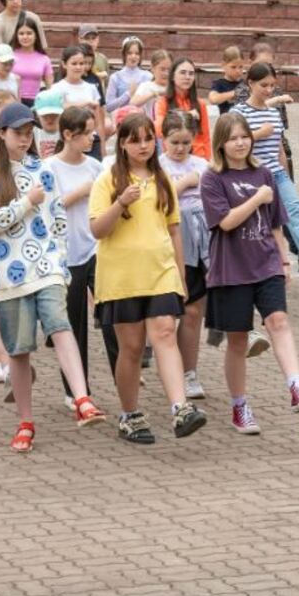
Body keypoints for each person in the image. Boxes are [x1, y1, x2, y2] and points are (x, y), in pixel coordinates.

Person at [0, 104, 106, 451]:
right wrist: (24, 204)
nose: (25, 138)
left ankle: (81, 398)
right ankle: (25, 421)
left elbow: (57, 216)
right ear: (1, 133)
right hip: (7, 275)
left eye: (29, 132)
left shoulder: (41, 169)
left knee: (61, 325)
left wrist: (60, 261)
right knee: (19, 350)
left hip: (45, 267)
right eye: (18, 132)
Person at [90, 113, 205, 443]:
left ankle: (180, 408)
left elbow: (174, 230)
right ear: (122, 144)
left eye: (146, 139)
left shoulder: (162, 178)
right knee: (132, 348)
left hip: (160, 272)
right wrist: (119, 203)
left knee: (165, 332)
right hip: (121, 277)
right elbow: (97, 229)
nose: (142, 146)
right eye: (134, 140)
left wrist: (180, 275)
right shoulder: (107, 180)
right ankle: (129, 414)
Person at [203, 112, 299, 435]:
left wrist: (283, 262)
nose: (240, 143)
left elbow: (276, 224)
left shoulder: (264, 173)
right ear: (222, 143)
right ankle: (239, 405)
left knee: (278, 321)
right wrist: (256, 198)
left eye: (245, 137)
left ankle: (297, 386)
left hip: (266, 262)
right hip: (232, 269)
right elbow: (225, 222)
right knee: (238, 341)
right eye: (234, 138)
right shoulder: (212, 178)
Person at [43, 107, 116, 400]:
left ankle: (124, 376)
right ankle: (76, 391)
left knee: (112, 316)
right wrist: (81, 192)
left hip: (95, 250)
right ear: (67, 135)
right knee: (73, 326)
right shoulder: (48, 168)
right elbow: (47, 208)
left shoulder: (96, 167)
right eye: (85, 133)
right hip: (65, 256)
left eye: (91, 131)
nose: (92, 137)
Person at [234, 62, 299, 273]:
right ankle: (254, 266)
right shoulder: (239, 112)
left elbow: (279, 148)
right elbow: (230, 143)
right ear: (250, 83)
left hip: (277, 174)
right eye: (264, 85)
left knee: (296, 211)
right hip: (251, 175)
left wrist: (286, 176)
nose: (269, 90)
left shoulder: (274, 113)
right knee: (258, 224)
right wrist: (257, 135)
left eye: (272, 85)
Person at [158, 112, 210, 400]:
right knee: (164, 314)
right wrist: (184, 184)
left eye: (186, 142)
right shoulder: (156, 166)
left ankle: (188, 371)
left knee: (193, 311)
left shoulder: (202, 165)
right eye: (174, 142)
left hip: (198, 247)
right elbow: (158, 198)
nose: (180, 148)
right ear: (163, 139)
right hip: (165, 247)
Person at [153, 57, 212, 161]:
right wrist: (186, 115)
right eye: (183, 73)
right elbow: (159, 130)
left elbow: (205, 137)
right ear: (172, 76)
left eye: (191, 74)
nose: (187, 77)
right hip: (174, 157)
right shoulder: (163, 102)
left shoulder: (200, 104)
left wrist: (207, 161)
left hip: (198, 157)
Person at [104, 36, 151, 121]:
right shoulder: (115, 77)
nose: (133, 56)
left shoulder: (148, 76)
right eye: (129, 53)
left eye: (137, 53)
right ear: (124, 54)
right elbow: (109, 106)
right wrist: (128, 94)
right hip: (122, 122)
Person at [8, 17, 52, 106]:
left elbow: (50, 87)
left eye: (29, 33)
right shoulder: (9, 56)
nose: (25, 37)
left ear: (36, 35)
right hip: (12, 101)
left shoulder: (44, 59)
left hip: (37, 103)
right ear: (16, 36)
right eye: (21, 33)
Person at [207, 46, 248, 115]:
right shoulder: (219, 84)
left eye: (241, 67)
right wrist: (234, 93)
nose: (238, 71)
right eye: (233, 67)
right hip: (226, 122)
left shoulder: (245, 84)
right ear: (223, 65)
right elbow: (213, 99)